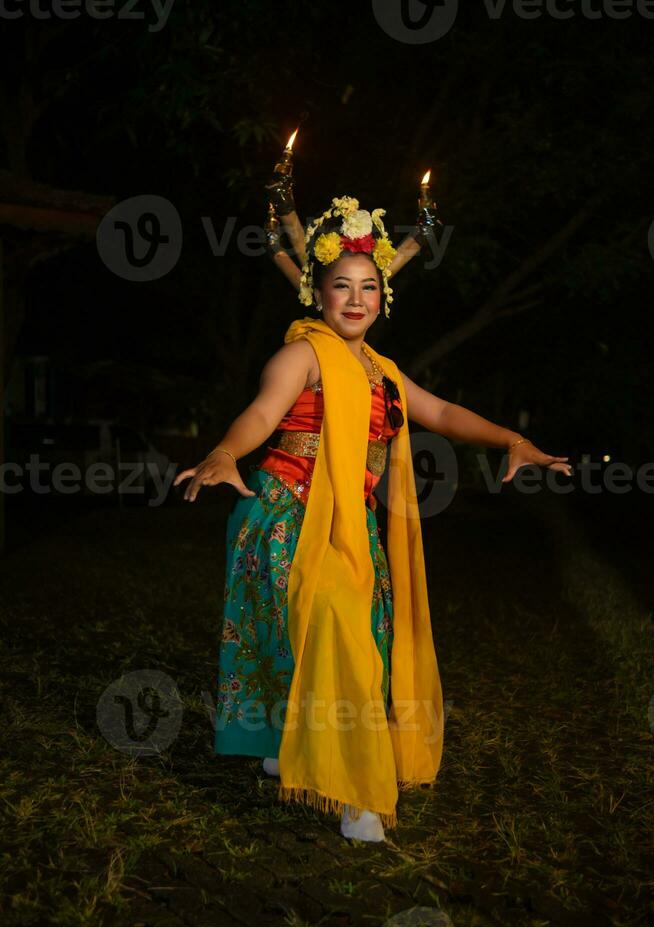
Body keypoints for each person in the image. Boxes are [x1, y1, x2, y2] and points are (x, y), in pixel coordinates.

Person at [174, 196, 572, 843]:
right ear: (317, 294)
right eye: (341, 287)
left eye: (368, 288)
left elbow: (441, 413)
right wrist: (223, 450)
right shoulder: (302, 355)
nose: (355, 300)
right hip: (287, 513)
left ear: (384, 298)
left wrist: (508, 440)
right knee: (335, 636)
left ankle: (292, 746)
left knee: (361, 640)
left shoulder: (383, 372)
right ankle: (358, 792)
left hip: (351, 523)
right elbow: (261, 415)